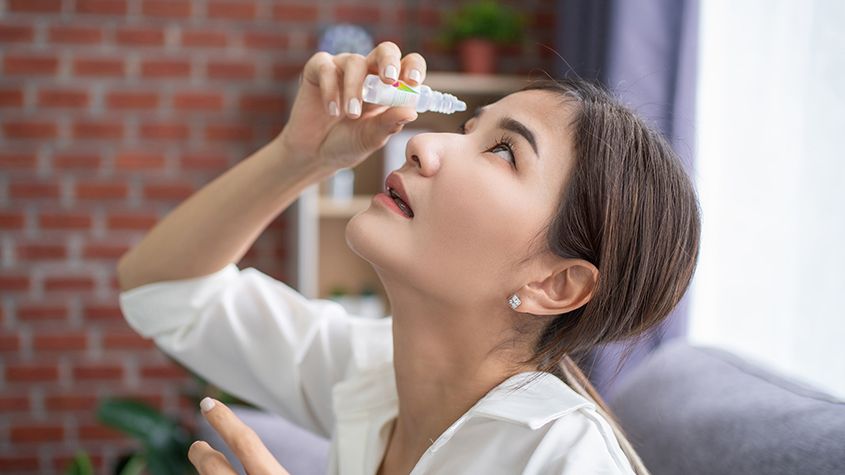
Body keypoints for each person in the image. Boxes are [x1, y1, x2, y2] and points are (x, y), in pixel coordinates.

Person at [117, 42, 700, 474]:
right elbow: (161, 290)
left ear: (557, 282)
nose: (423, 142)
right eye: (470, 128)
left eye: (503, 151)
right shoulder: (372, 373)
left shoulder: (564, 462)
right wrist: (300, 155)